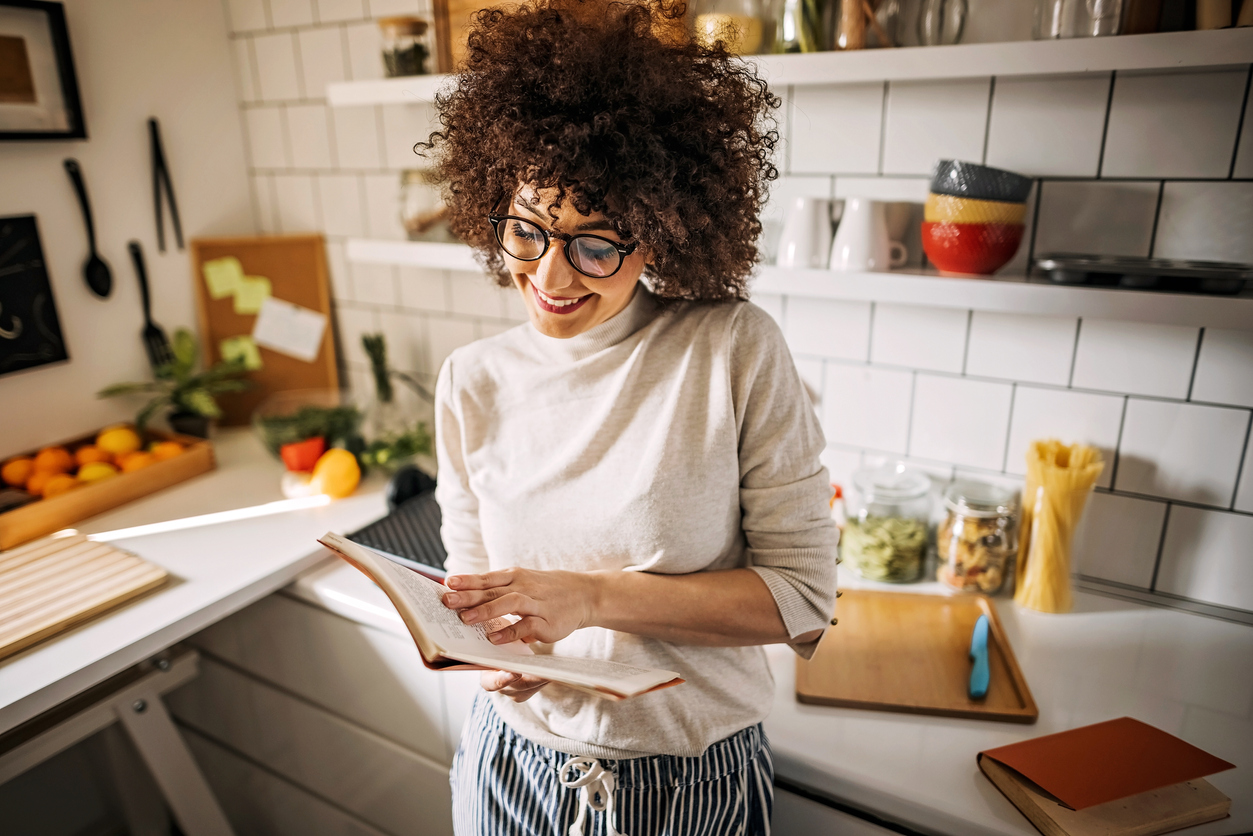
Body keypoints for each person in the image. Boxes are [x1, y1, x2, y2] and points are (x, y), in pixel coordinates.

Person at [422, 1, 838, 833]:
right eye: (528, 231)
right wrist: (498, 657)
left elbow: (801, 603)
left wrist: (593, 599)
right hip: (511, 771)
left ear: (658, 232)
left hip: (688, 784)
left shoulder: (728, 350)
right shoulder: (471, 381)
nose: (552, 273)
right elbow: (478, 603)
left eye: (596, 243)